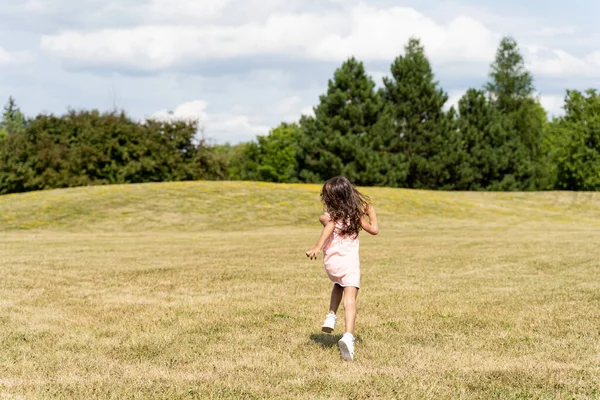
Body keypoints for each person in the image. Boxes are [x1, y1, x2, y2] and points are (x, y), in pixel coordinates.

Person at [306, 176, 379, 361]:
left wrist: (317, 248)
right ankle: (348, 336)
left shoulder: (331, 217)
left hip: (332, 264)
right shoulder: (355, 217)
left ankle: (331, 315)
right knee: (350, 299)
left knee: (338, 284)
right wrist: (370, 211)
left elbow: (325, 221)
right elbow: (374, 229)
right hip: (349, 264)